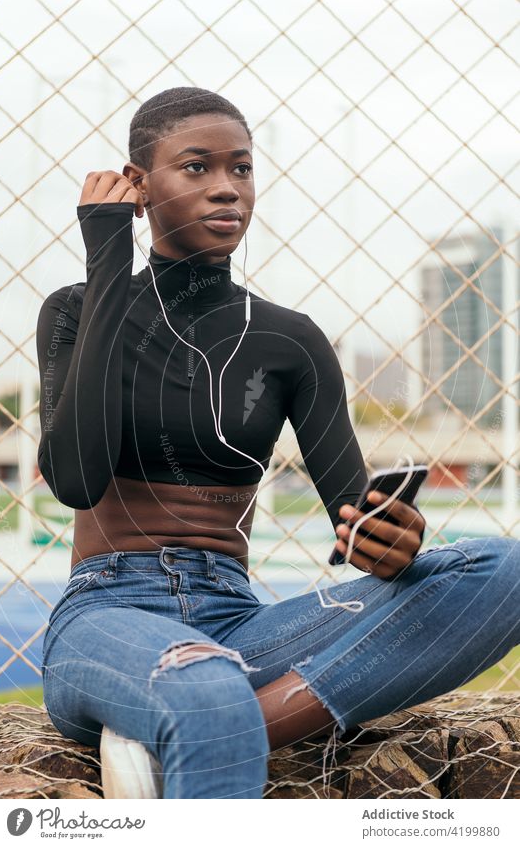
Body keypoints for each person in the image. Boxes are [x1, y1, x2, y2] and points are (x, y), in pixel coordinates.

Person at [37, 87, 520, 800]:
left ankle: (220, 731)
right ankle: (210, 715)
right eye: (196, 168)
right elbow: (76, 477)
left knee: (501, 568)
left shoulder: (289, 340)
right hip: (108, 612)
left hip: (238, 620)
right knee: (201, 681)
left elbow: (353, 519)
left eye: (241, 168)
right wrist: (107, 255)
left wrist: (387, 538)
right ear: (137, 185)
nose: (226, 188)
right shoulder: (75, 311)